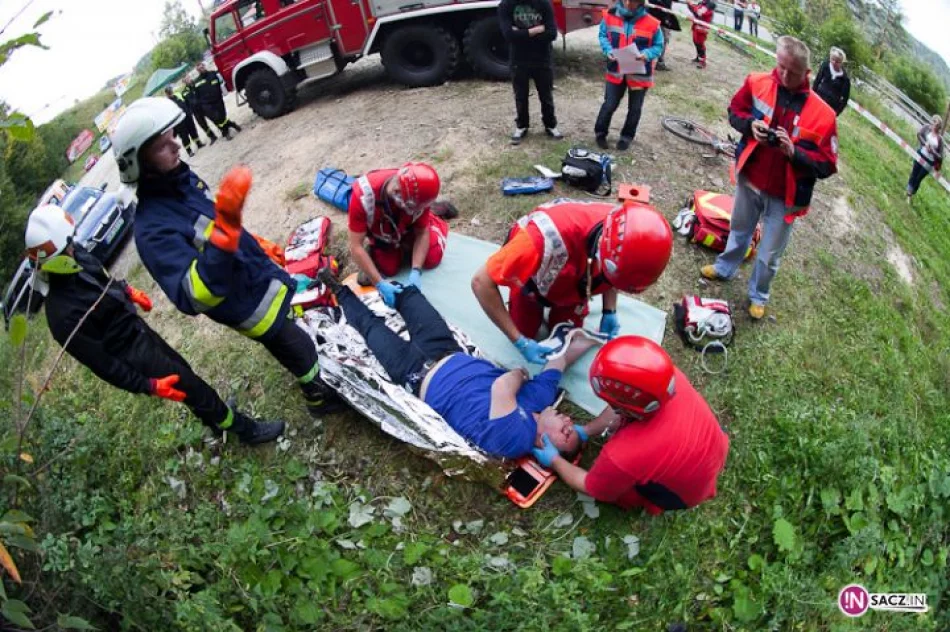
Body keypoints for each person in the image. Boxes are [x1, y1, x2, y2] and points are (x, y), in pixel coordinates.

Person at [111, 97, 341, 416]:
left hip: (256, 275)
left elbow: (220, 223)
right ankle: (319, 396)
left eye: (173, 137)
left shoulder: (183, 179)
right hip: (242, 302)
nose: (177, 146)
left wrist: (256, 244)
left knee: (291, 333)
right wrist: (226, 234)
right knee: (297, 348)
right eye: (163, 146)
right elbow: (192, 296)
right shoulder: (152, 230)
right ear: (140, 163)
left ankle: (316, 380)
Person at [23, 205, 284, 444]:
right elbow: (104, 365)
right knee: (191, 386)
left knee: (184, 371)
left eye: (71, 240)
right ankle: (244, 430)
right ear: (50, 261)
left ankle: (214, 420)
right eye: (67, 246)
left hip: (138, 329)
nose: (73, 247)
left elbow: (103, 282)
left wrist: (126, 291)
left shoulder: (75, 258)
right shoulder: (62, 316)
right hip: (131, 353)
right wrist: (147, 385)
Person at [317, 267, 598, 460]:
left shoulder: (516, 440)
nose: (568, 421)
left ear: (543, 444)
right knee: (410, 297)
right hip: (445, 349)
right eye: (571, 426)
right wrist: (596, 340)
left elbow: (503, 387)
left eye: (565, 433)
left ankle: (338, 292)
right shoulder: (540, 400)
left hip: (415, 374)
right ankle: (378, 279)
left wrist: (520, 374)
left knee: (370, 328)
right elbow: (561, 360)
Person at [700, 36, 838, 320]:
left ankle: (758, 295)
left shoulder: (824, 115)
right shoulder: (757, 82)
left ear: (807, 73)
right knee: (739, 230)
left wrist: (794, 152)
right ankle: (725, 268)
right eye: (781, 66)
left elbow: (826, 165)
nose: (785, 76)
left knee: (769, 254)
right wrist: (750, 127)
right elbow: (734, 112)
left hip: (785, 197)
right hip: (751, 178)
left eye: (793, 72)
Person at [532, 336, 729, 515]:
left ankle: (646, 501)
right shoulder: (663, 377)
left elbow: (591, 487)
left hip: (687, 493)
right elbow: (619, 409)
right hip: (715, 446)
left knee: (622, 494)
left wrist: (555, 460)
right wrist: (587, 430)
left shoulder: (622, 456)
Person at [471, 200, 672, 364]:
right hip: (533, 281)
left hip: (576, 281)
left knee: (568, 336)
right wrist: (519, 341)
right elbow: (481, 283)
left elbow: (614, 276)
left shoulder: (621, 227)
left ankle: (564, 307)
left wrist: (609, 311)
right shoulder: (536, 241)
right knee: (525, 329)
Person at [348, 164, 453, 307]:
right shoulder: (363, 197)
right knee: (389, 269)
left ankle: (433, 218)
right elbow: (355, 246)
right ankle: (375, 250)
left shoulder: (418, 192)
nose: (413, 210)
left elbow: (422, 233)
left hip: (408, 225)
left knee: (432, 258)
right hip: (384, 231)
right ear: (397, 191)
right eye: (412, 208)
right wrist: (379, 283)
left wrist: (416, 270)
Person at [594, 0, 664, 150]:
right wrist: (608, 50)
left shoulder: (652, 23)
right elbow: (603, 35)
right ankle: (600, 133)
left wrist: (647, 54)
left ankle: (626, 137)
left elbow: (658, 45)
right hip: (616, 70)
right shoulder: (609, 16)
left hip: (639, 74)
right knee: (609, 104)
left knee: (635, 108)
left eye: (634, 1)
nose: (629, 4)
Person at [498, 0, 563, 145]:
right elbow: (508, 35)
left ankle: (550, 125)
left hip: (542, 59)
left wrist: (520, 33)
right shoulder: (506, 5)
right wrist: (536, 30)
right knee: (520, 96)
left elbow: (552, 33)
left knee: (546, 95)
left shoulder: (544, 3)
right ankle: (522, 126)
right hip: (518, 60)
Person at [193, 62, 241, 140]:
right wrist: (201, 105)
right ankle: (226, 133)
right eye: (199, 67)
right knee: (217, 118)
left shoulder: (213, 74)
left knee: (222, 117)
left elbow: (221, 84)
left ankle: (231, 124)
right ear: (197, 70)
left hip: (218, 100)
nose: (201, 68)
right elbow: (197, 95)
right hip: (207, 104)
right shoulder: (196, 82)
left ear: (204, 66)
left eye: (202, 66)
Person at [906, 115, 945, 202]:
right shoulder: (927, 128)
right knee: (914, 173)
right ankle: (908, 193)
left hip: (930, 161)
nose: (933, 123)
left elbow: (940, 156)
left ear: (939, 126)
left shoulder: (940, 139)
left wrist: (932, 152)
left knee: (919, 178)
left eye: (936, 123)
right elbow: (919, 134)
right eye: (933, 121)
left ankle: (912, 191)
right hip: (921, 154)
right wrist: (924, 144)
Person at [164, 85, 204, 157]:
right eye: (168, 91)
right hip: (179, 122)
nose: (170, 92)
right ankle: (189, 150)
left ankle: (198, 143)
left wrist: (189, 111)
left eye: (170, 90)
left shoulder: (178, 95)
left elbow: (186, 102)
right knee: (184, 135)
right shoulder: (166, 102)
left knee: (193, 130)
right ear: (166, 93)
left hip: (187, 117)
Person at [811, 47, 851, 117]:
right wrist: (811, 96)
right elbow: (817, 81)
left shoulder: (845, 79)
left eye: (837, 61)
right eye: (832, 59)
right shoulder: (825, 66)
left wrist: (836, 112)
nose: (834, 63)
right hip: (817, 100)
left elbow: (845, 99)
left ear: (841, 62)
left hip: (830, 108)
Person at [183, 75, 218, 145]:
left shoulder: (197, 83)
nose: (188, 80)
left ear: (190, 77)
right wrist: (191, 111)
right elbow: (188, 102)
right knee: (203, 125)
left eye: (188, 78)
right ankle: (212, 136)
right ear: (184, 82)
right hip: (196, 111)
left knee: (214, 119)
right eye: (185, 79)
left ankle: (223, 130)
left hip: (204, 106)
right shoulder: (184, 92)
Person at [647, 0, 675, 71]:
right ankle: (658, 62)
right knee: (661, 39)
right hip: (656, 15)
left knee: (663, 39)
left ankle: (659, 62)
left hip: (662, 16)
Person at [687, 0, 715, 69]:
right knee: (696, 43)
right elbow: (695, 11)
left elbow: (700, 12)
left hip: (702, 29)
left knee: (700, 45)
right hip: (696, 26)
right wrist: (689, 4)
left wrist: (691, 4)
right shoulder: (702, 3)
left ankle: (703, 62)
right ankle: (698, 58)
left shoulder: (710, 4)